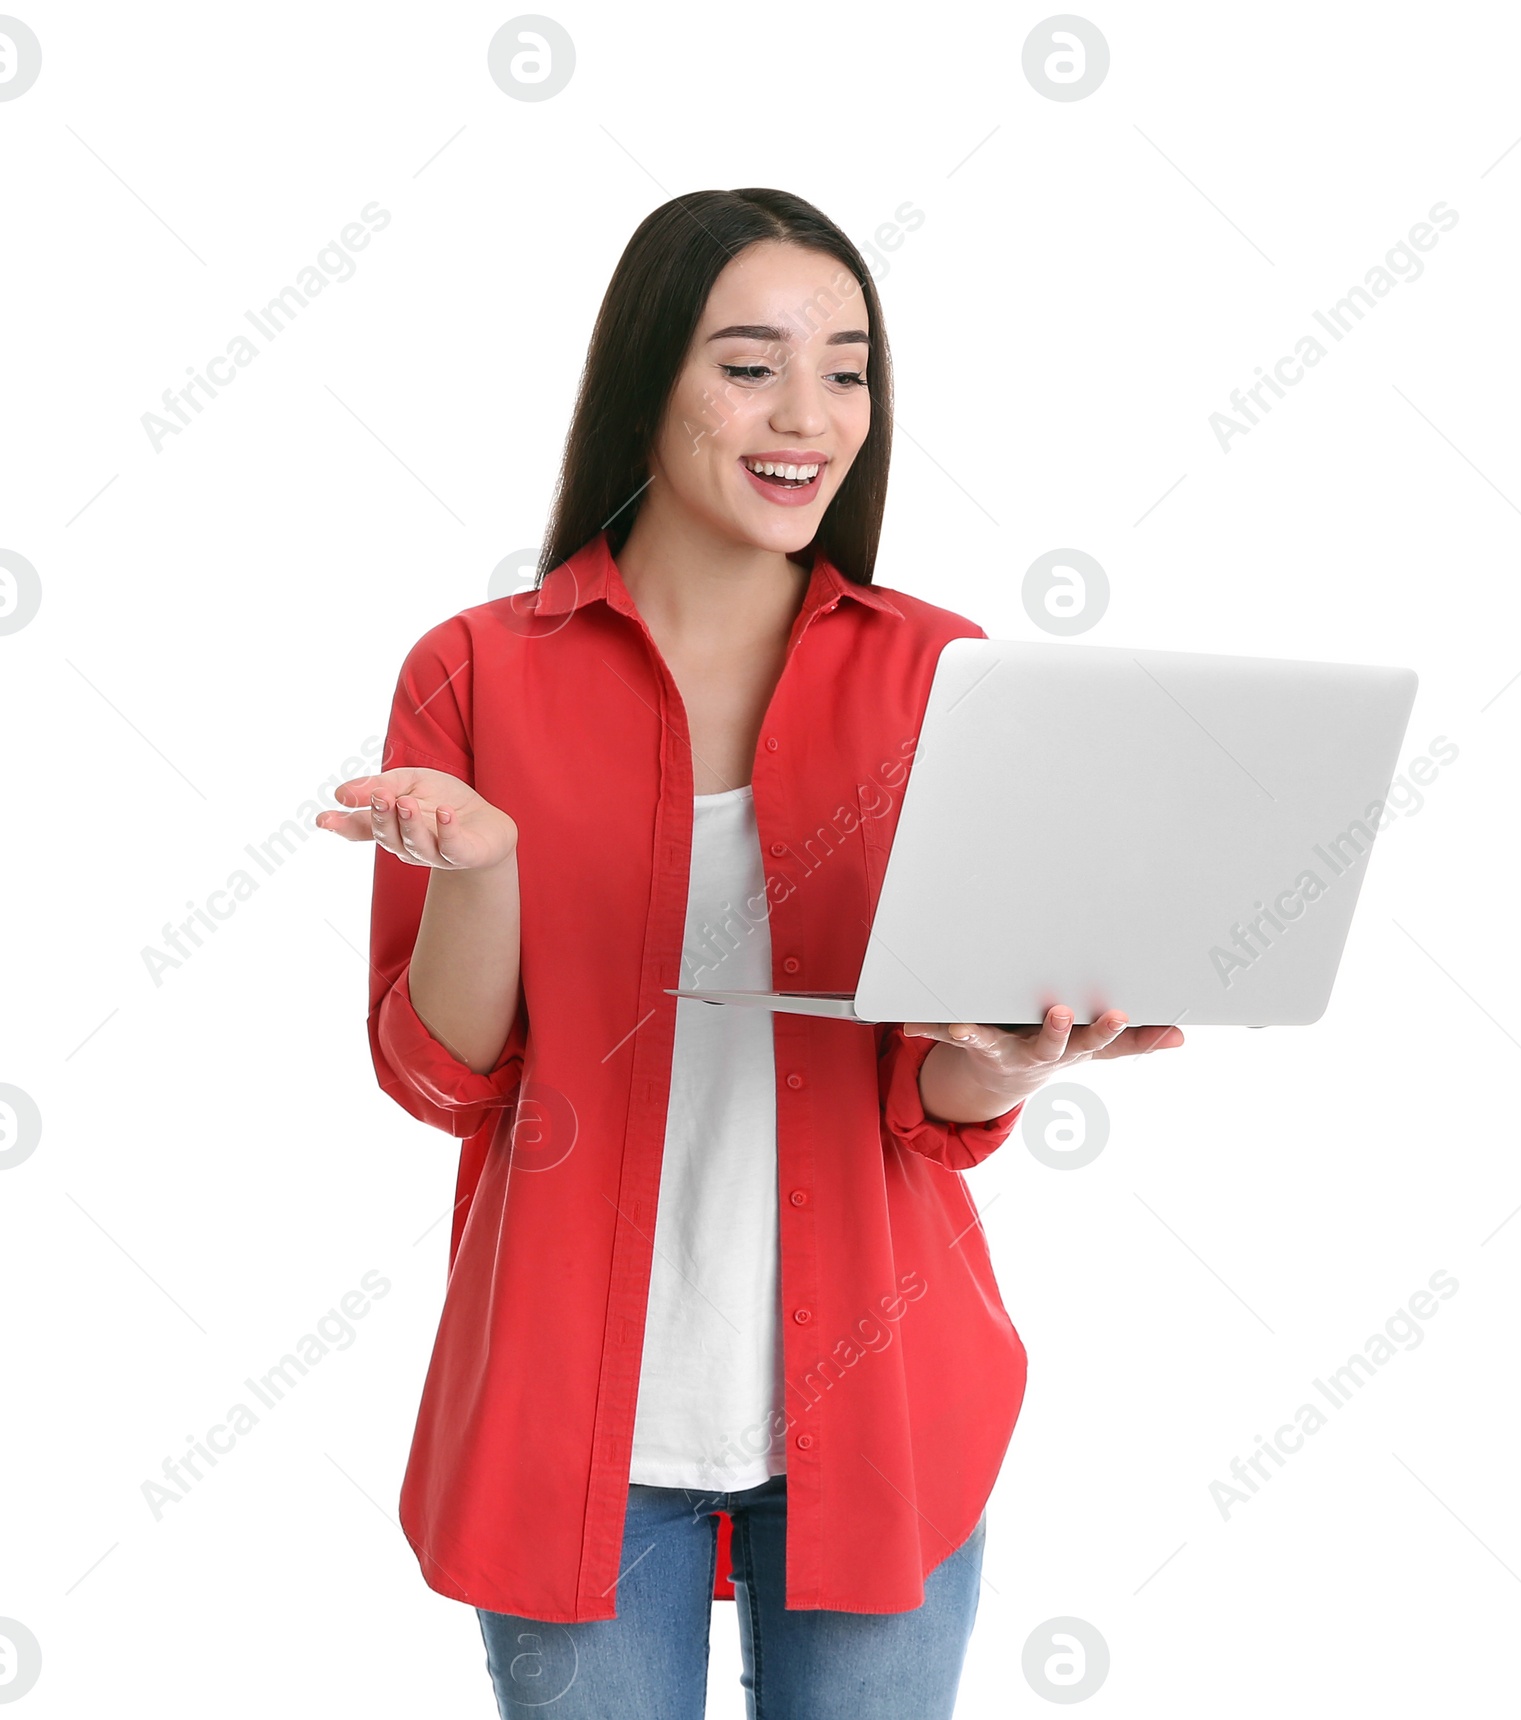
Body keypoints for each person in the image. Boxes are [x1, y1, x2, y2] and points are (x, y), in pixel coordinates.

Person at [317, 187, 1182, 1720]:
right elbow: (441, 1077)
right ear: (645, 376)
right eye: (750, 364)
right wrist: (484, 868)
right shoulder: (472, 673)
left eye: (847, 368)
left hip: (886, 1416)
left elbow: (933, 1090)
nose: (811, 415)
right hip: (568, 1432)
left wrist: (1001, 1062)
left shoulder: (935, 673)